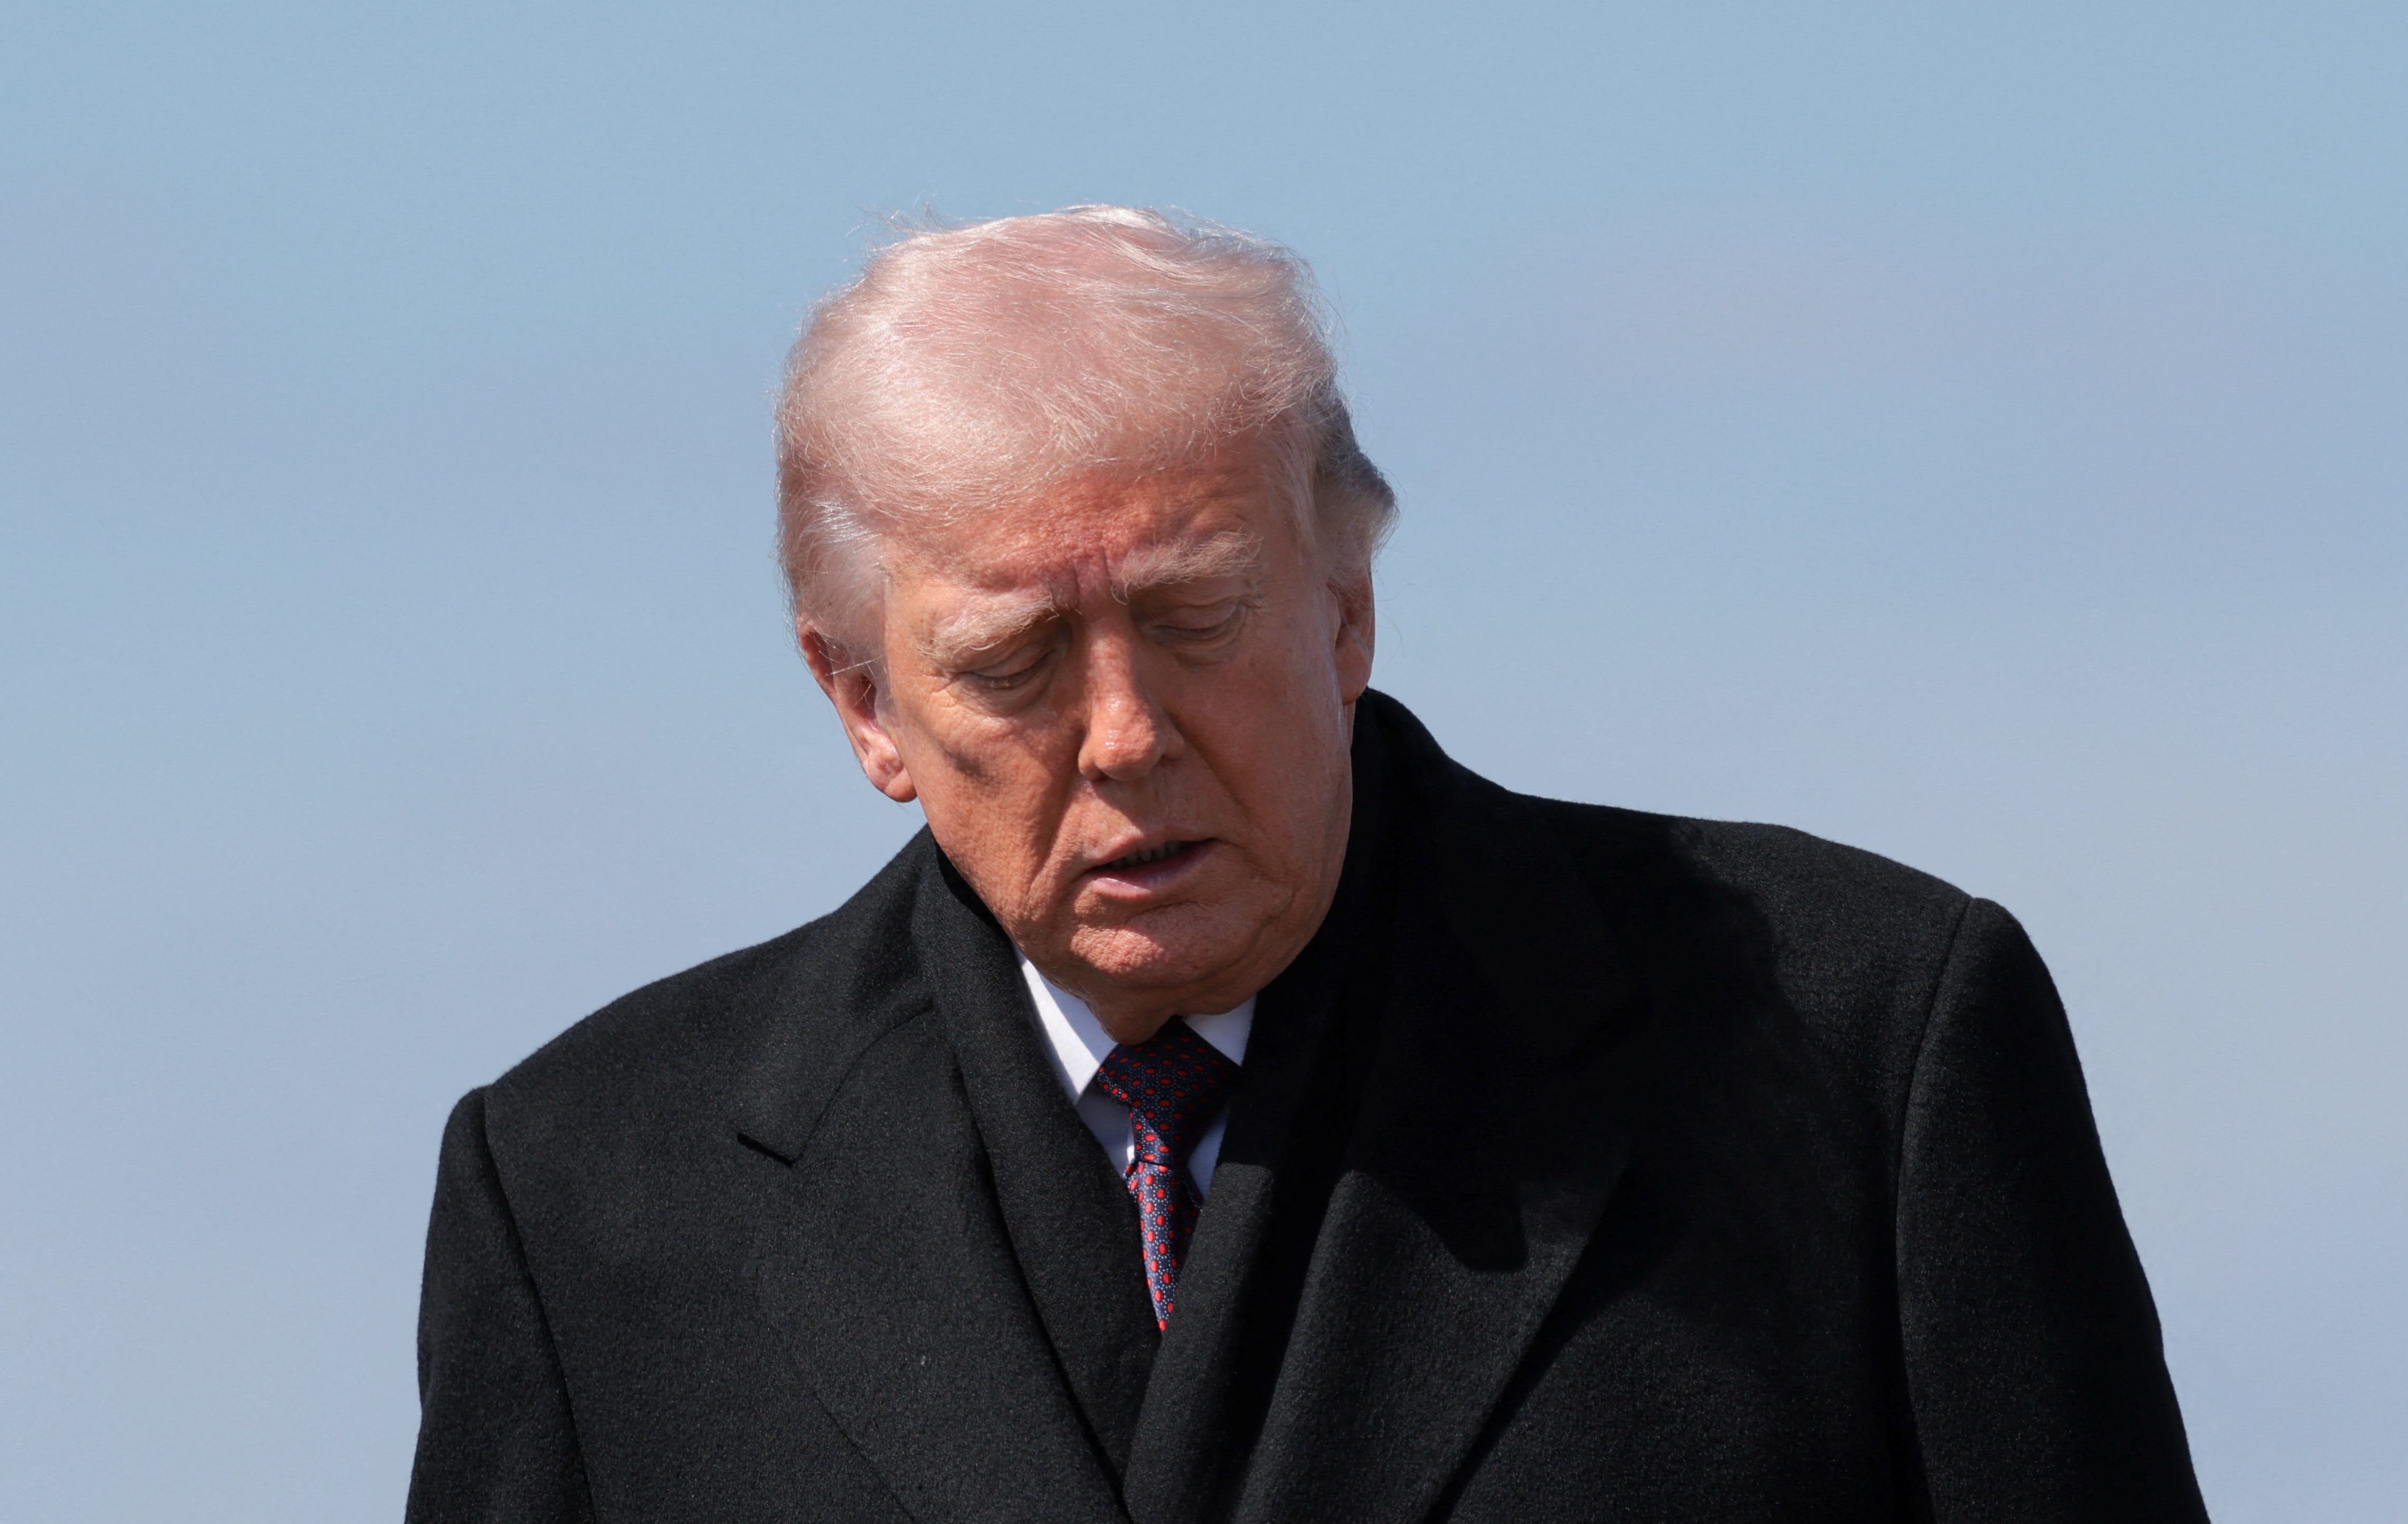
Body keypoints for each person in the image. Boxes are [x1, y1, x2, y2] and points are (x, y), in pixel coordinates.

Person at [405, 206, 2208, 1523]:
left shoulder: (1863, 1047)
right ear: (863, 701)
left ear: (1348, 608)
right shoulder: (584, 1196)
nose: (1126, 734)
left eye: (1196, 619)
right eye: (1014, 663)